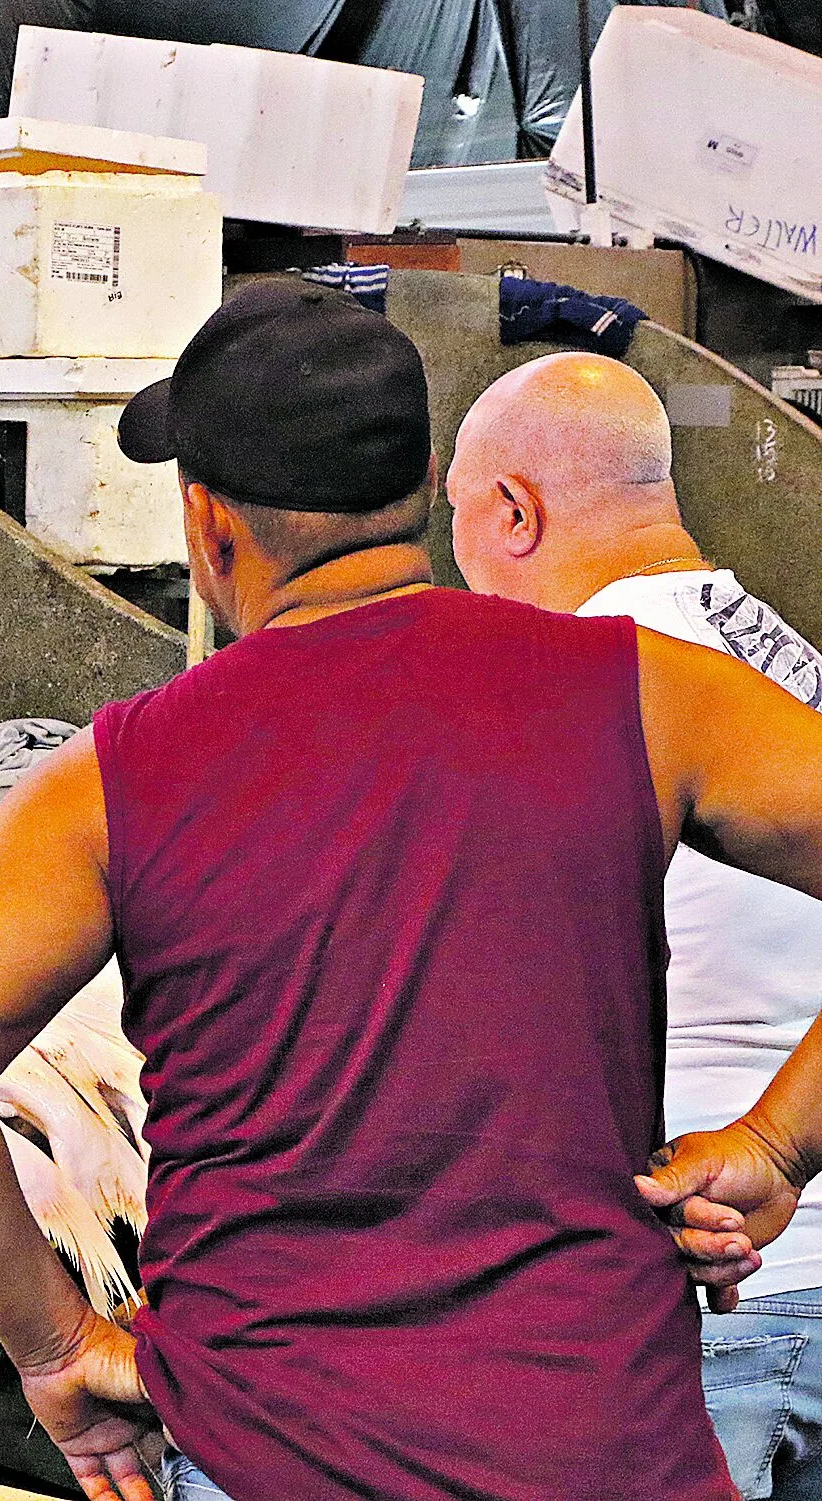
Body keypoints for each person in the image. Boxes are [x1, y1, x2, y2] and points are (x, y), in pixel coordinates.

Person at [0, 281, 822, 1501]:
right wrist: (778, 1142)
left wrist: (55, 1342)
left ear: (208, 526)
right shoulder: (648, 691)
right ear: (421, 490)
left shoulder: (108, 777)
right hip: (597, 1442)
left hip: (273, 1450)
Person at [450, 351, 822, 1500]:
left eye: (453, 517)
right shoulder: (785, 668)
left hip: (699, 1315)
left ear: (512, 511)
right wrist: (777, 1141)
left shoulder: (562, 699)